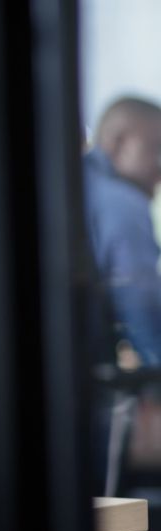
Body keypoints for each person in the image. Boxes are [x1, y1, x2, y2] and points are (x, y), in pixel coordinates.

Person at [83, 96, 161, 366]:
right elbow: (144, 312)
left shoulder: (82, 184)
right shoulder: (122, 202)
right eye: (156, 149)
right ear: (118, 141)